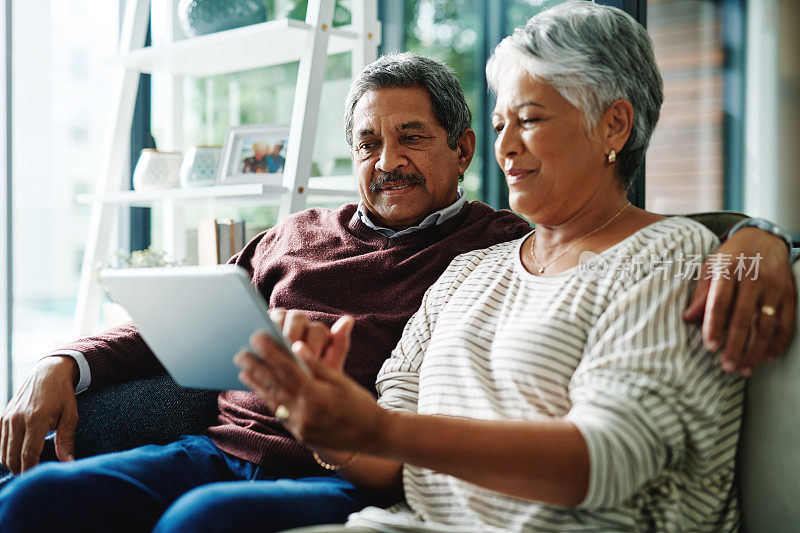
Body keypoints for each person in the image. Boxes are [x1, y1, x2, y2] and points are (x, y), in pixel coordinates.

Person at [0, 50, 793, 531]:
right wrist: (64, 361)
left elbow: (663, 230)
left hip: (348, 469)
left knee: (197, 523)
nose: (389, 161)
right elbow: (168, 326)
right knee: (35, 500)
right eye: (368, 142)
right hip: (220, 446)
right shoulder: (295, 233)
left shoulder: (498, 241)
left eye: (412, 136)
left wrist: (764, 239)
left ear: (463, 147)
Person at [234, 4, 787, 532]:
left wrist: (377, 427)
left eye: (530, 119)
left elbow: (602, 461)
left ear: (615, 125)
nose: (506, 148)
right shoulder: (468, 270)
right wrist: (332, 427)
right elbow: (390, 459)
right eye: (501, 125)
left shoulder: (671, 256)